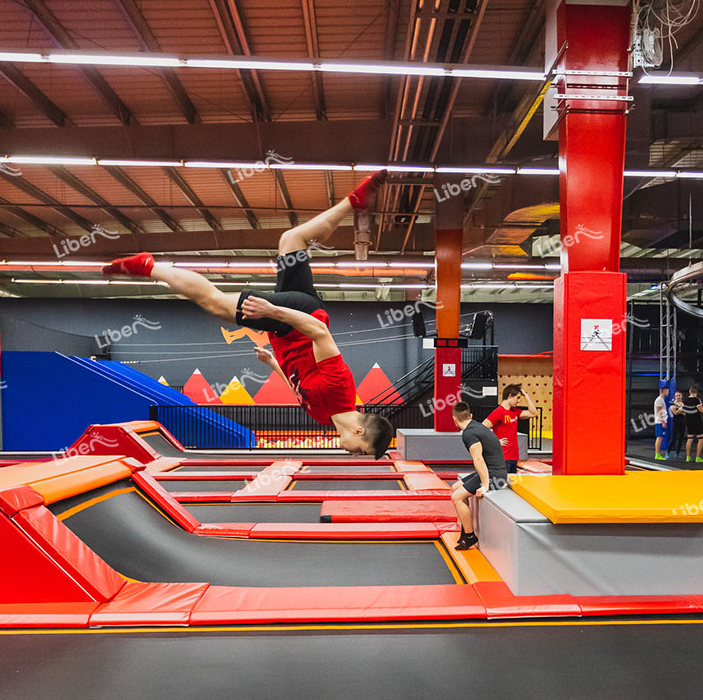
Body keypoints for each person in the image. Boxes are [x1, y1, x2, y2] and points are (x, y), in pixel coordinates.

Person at [103, 171, 394, 459]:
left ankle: (352, 202)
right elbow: (319, 331)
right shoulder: (339, 391)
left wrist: (272, 363)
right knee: (215, 303)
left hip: (295, 318)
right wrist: (272, 311)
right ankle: (148, 267)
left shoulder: (323, 417)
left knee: (292, 239)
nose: (354, 455)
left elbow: (299, 387)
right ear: (359, 432)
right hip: (296, 319)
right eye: (362, 451)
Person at [451, 401, 508, 551]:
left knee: (456, 498)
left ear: (454, 419)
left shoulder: (469, 433)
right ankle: (465, 529)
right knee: (455, 487)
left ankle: (470, 536)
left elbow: (478, 459)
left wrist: (485, 485)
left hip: (496, 475)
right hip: (495, 470)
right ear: (470, 415)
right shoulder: (476, 426)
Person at [483, 384, 536, 474]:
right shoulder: (498, 412)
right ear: (510, 396)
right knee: (503, 485)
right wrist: (495, 441)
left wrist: (526, 395)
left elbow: (533, 413)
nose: (518, 401)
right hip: (503, 457)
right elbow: (482, 428)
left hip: (514, 456)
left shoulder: (514, 411)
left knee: (511, 486)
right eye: (518, 398)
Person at [681, 385, 703, 463]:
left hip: (689, 421)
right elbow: (701, 409)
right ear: (697, 393)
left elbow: (683, 411)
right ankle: (698, 457)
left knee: (690, 438)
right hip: (696, 421)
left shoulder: (685, 400)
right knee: (701, 439)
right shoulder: (697, 400)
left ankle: (688, 457)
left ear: (690, 391)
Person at [668, 390, 686, 459]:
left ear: (681, 396)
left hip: (682, 422)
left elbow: (685, 413)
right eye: (677, 396)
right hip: (675, 422)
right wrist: (681, 409)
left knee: (681, 438)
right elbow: (675, 413)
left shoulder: (683, 403)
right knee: (673, 438)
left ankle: (677, 453)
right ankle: (668, 452)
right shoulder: (673, 404)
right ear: (675, 397)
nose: (678, 397)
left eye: (679, 396)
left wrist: (680, 411)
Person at [653, 385, 670, 460]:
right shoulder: (659, 400)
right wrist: (663, 421)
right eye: (667, 391)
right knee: (659, 438)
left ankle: (657, 454)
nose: (668, 392)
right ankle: (657, 454)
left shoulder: (662, 400)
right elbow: (659, 411)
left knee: (660, 438)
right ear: (663, 391)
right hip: (659, 422)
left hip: (660, 421)